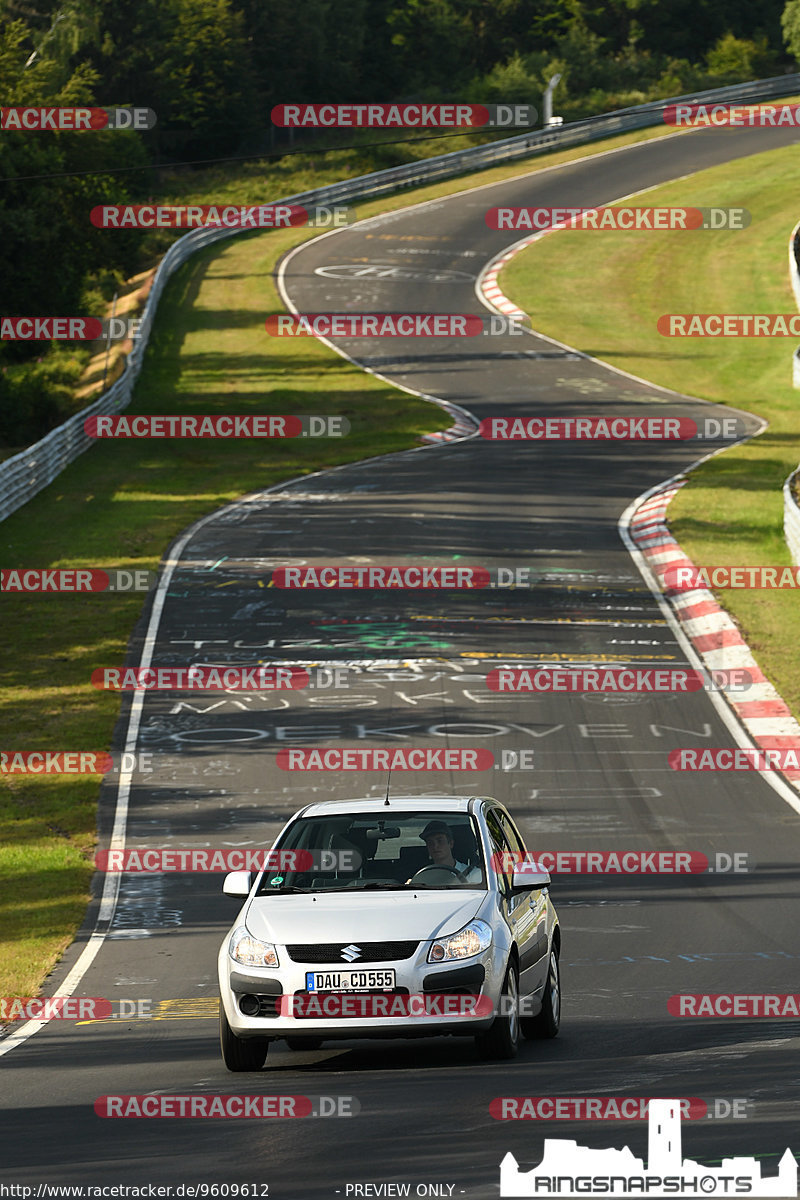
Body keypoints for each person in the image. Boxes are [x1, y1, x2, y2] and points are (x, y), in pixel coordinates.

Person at [409, 820, 482, 884]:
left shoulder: (474, 874)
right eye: (430, 842)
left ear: (450, 843)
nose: (435, 846)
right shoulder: (421, 877)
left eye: (440, 841)